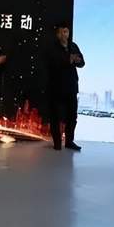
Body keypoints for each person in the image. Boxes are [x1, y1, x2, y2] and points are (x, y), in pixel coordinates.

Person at [46, 22, 85, 151]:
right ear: (57, 34)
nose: (64, 34)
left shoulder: (73, 46)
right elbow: (53, 63)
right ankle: (57, 142)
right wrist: (69, 59)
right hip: (56, 86)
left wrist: (78, 60)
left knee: (72, 116)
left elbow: (82, 63)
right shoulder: (52, 47)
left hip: (71, 86)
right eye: (62, 32)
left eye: (66, 32)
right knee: (55, 116)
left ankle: (69, 141)